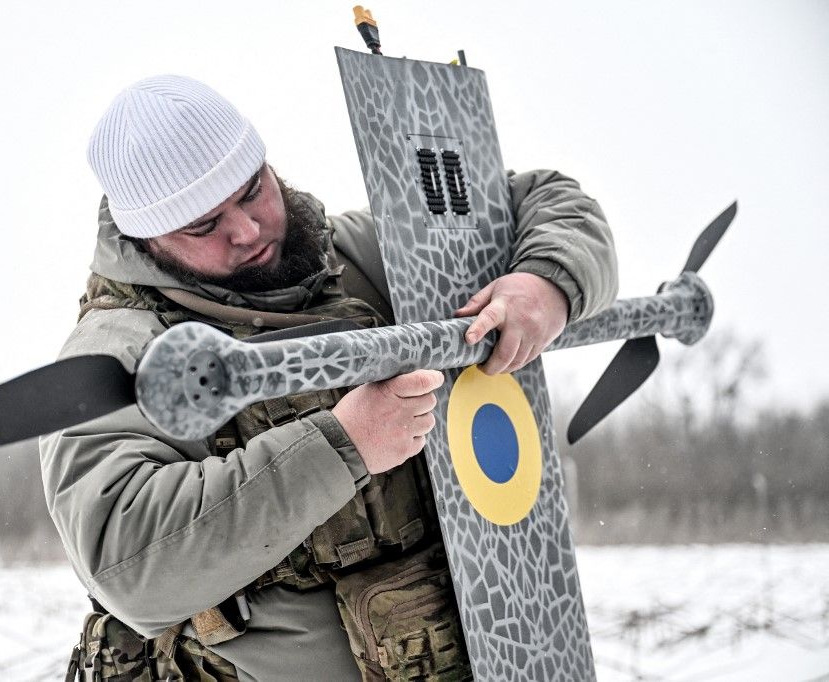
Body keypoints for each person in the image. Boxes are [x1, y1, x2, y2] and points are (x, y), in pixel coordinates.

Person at [41, 75, 617, 681]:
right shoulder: (119, 354)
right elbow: (127, 567)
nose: (247, 230)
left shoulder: (360, 256)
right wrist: (343, 445)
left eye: (251, 190)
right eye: (203, 226)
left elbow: (546, 198)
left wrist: (546, 281)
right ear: (145, 238)